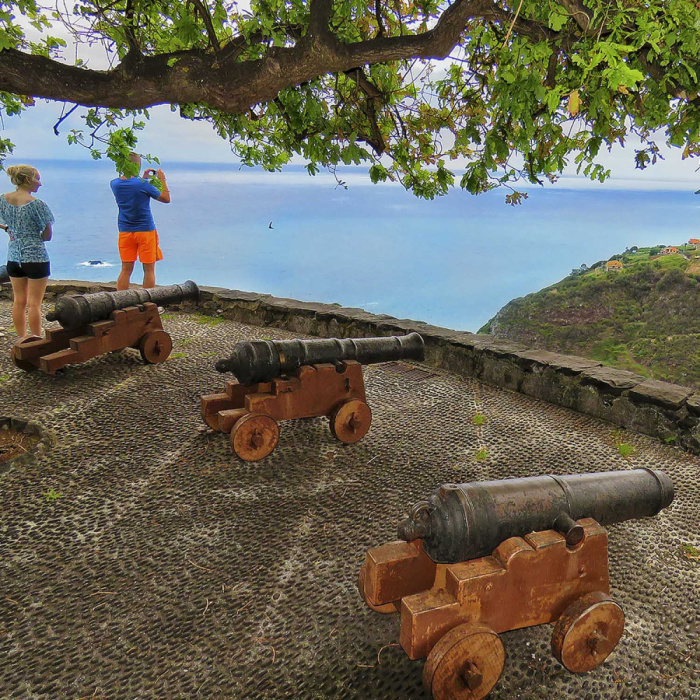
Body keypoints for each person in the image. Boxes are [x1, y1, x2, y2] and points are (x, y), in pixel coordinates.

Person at [0, 164, 55, 339]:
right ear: (28, 179)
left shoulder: (3, 199)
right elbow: (47, 236)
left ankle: (22, 340)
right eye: (37, 179)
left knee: (19, 302)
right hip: (35, 257)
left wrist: (8, 229)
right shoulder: (38, 205)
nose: (40, 183)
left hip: (14, 258)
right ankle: (36, 341)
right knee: (34, 304)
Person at [110, 153, 170, 290]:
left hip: (125, 231)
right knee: (149, 270)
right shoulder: (143, 185)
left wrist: (143, 178)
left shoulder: (114, 184)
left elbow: (133, 187)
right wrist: (162, 180)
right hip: (145, 231)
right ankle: (147, 303)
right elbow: (166, 198)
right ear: (136, 166)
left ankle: (121, 302)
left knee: (126, 270)